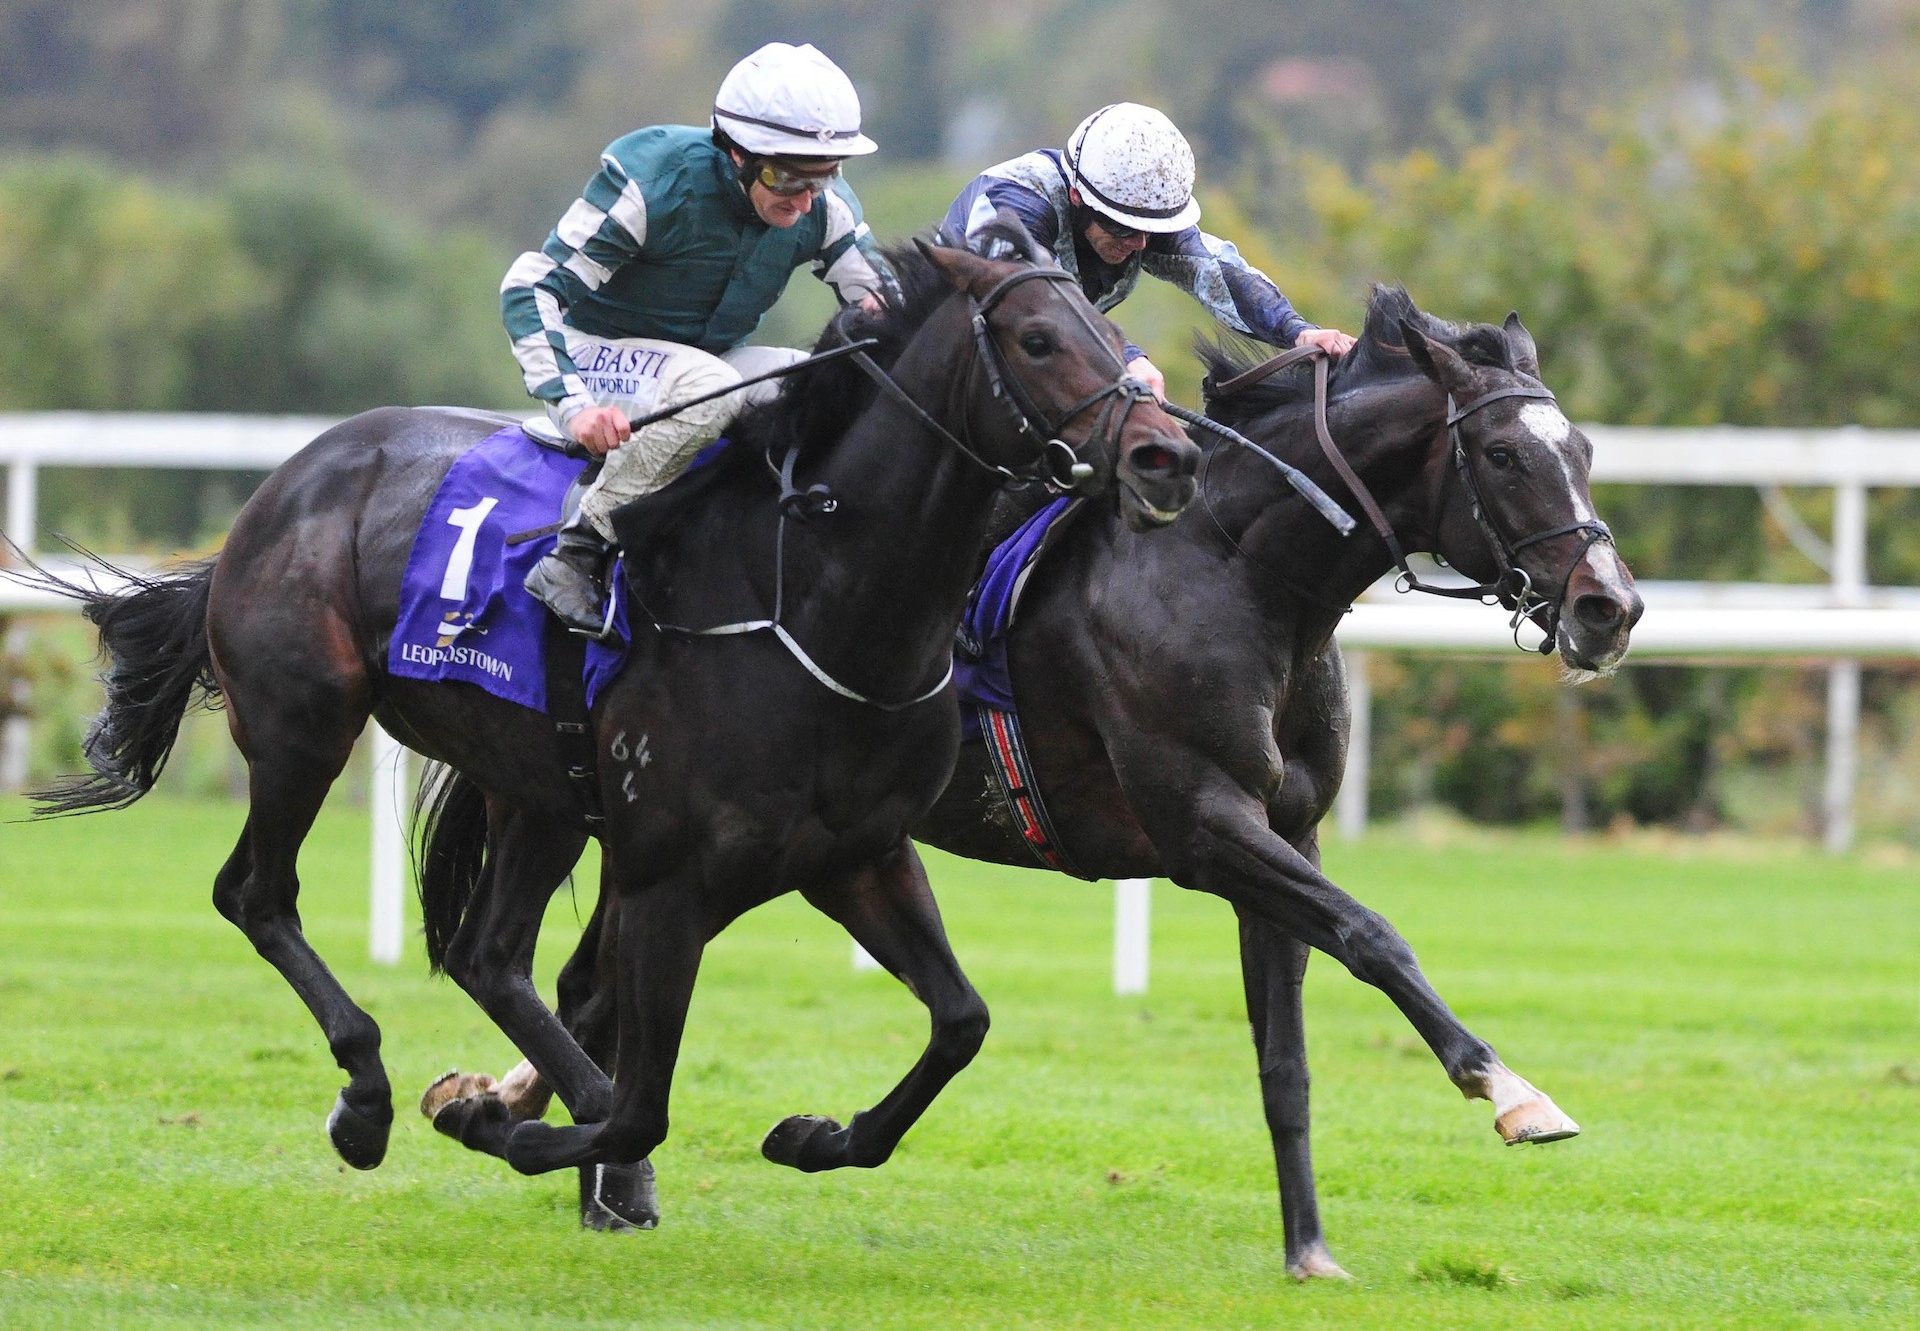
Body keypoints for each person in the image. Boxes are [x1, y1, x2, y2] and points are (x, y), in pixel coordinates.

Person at [505, 42, 898, 635]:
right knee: (710, 385)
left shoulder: (823, 204)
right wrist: (575, 409)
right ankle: (580, 548)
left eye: (824, 176)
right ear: (735, 152)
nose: (804, 200)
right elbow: (528, 288)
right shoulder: (651, 182)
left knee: (829, 379)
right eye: (786, 177)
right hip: (594, 352)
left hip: (697, 362)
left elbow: (885, 305)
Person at [938, 102, 1354, 400]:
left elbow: (1217, 273)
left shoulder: (1134, 219)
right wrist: (1128, 358)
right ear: (1078, 198)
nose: (1139, 244)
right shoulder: (1017, 201)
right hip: (948, 369)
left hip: (1029, 373)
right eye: (1124, 229)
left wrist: (1296, 330)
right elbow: (1043, 304)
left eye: (1151, 232)